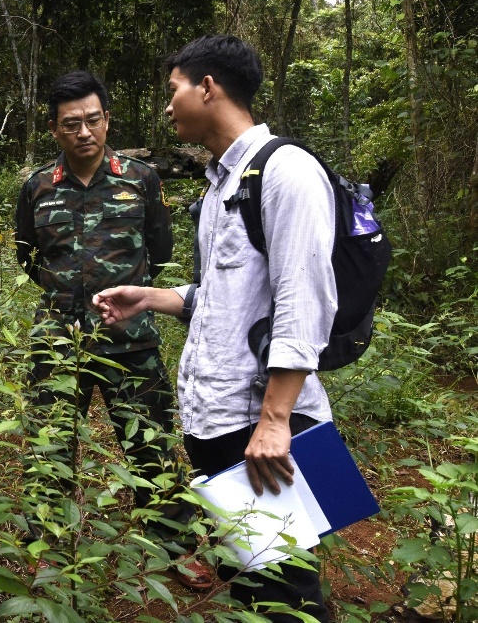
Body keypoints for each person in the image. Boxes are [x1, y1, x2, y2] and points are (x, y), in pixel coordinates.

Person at [93, 34, 336, 620]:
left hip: (261, 423)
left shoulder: (287, 172)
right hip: (218, 418)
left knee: (284, 590)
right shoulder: (222, 183)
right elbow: (226, 296)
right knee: (249, 577)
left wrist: (275, 420)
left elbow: (306, 300)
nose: (168, 104)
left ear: (208, 87)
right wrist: (150, 297)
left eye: (173, 89)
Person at [15, 70, 211, 589]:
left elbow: (161, 248)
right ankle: (49, 551)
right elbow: (28, 257)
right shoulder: (37, 187)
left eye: (93, 120)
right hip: (58, 342)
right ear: (55, 130)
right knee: (51, 446)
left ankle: (175, 543)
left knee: (150, 443)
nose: (84, 132)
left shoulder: (141, 179)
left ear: (107, 120)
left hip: (132, 341)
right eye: (71, 123)